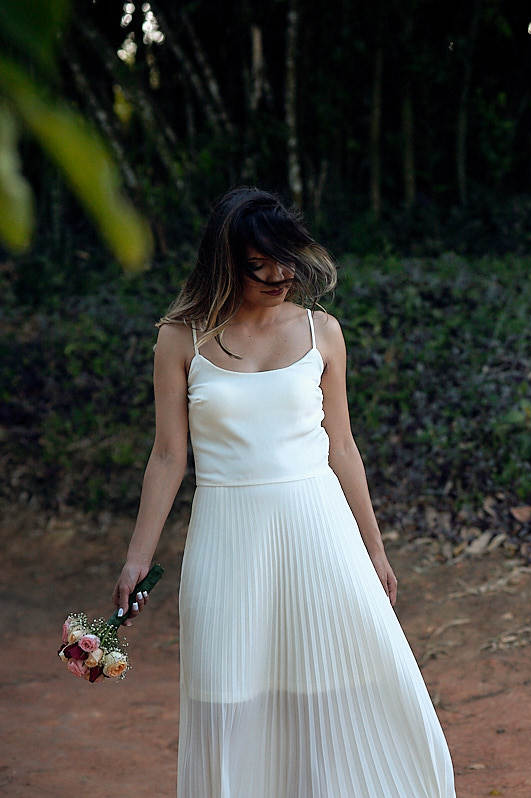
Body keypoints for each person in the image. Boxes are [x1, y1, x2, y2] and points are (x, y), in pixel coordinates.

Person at [111, 187, 456, 797]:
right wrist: (138, 558)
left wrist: (375, 551)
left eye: (286, 258)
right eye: (259, 263)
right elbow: (168, 456)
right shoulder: (179, 338)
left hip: (319, 530)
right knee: (229, 693)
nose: (279, 275)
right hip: (226, 534)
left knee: (354, 678)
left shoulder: (323, 332)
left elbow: (342, 446)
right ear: (225, 262)